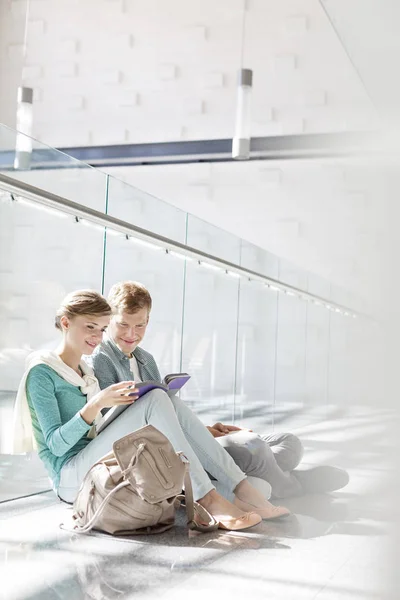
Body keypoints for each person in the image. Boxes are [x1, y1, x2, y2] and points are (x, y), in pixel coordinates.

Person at [15, 289, 290, 532]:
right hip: (70, 478)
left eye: (101, 329)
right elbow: (56, 446)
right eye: (90, 327)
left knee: (168, 399)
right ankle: (207, 499)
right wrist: (97, 404)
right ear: (65, 323)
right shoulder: (43, 373)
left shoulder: (84, 371)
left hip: (96, 460)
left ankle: (242, 488)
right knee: (158, 398)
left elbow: (96, 429)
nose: (97, 337)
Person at [92, 281, 349, 500]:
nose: (132, 334)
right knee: (253, 446)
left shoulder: (145, 358)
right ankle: (294, 485)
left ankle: (280, 475)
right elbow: (118, 425)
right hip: (162, 450)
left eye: (140, 325)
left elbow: (169, 413)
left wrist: (209, 429)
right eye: (123, 325)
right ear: (108, 320)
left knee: (287, 442)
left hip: (184, 436)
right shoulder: (102, 359)